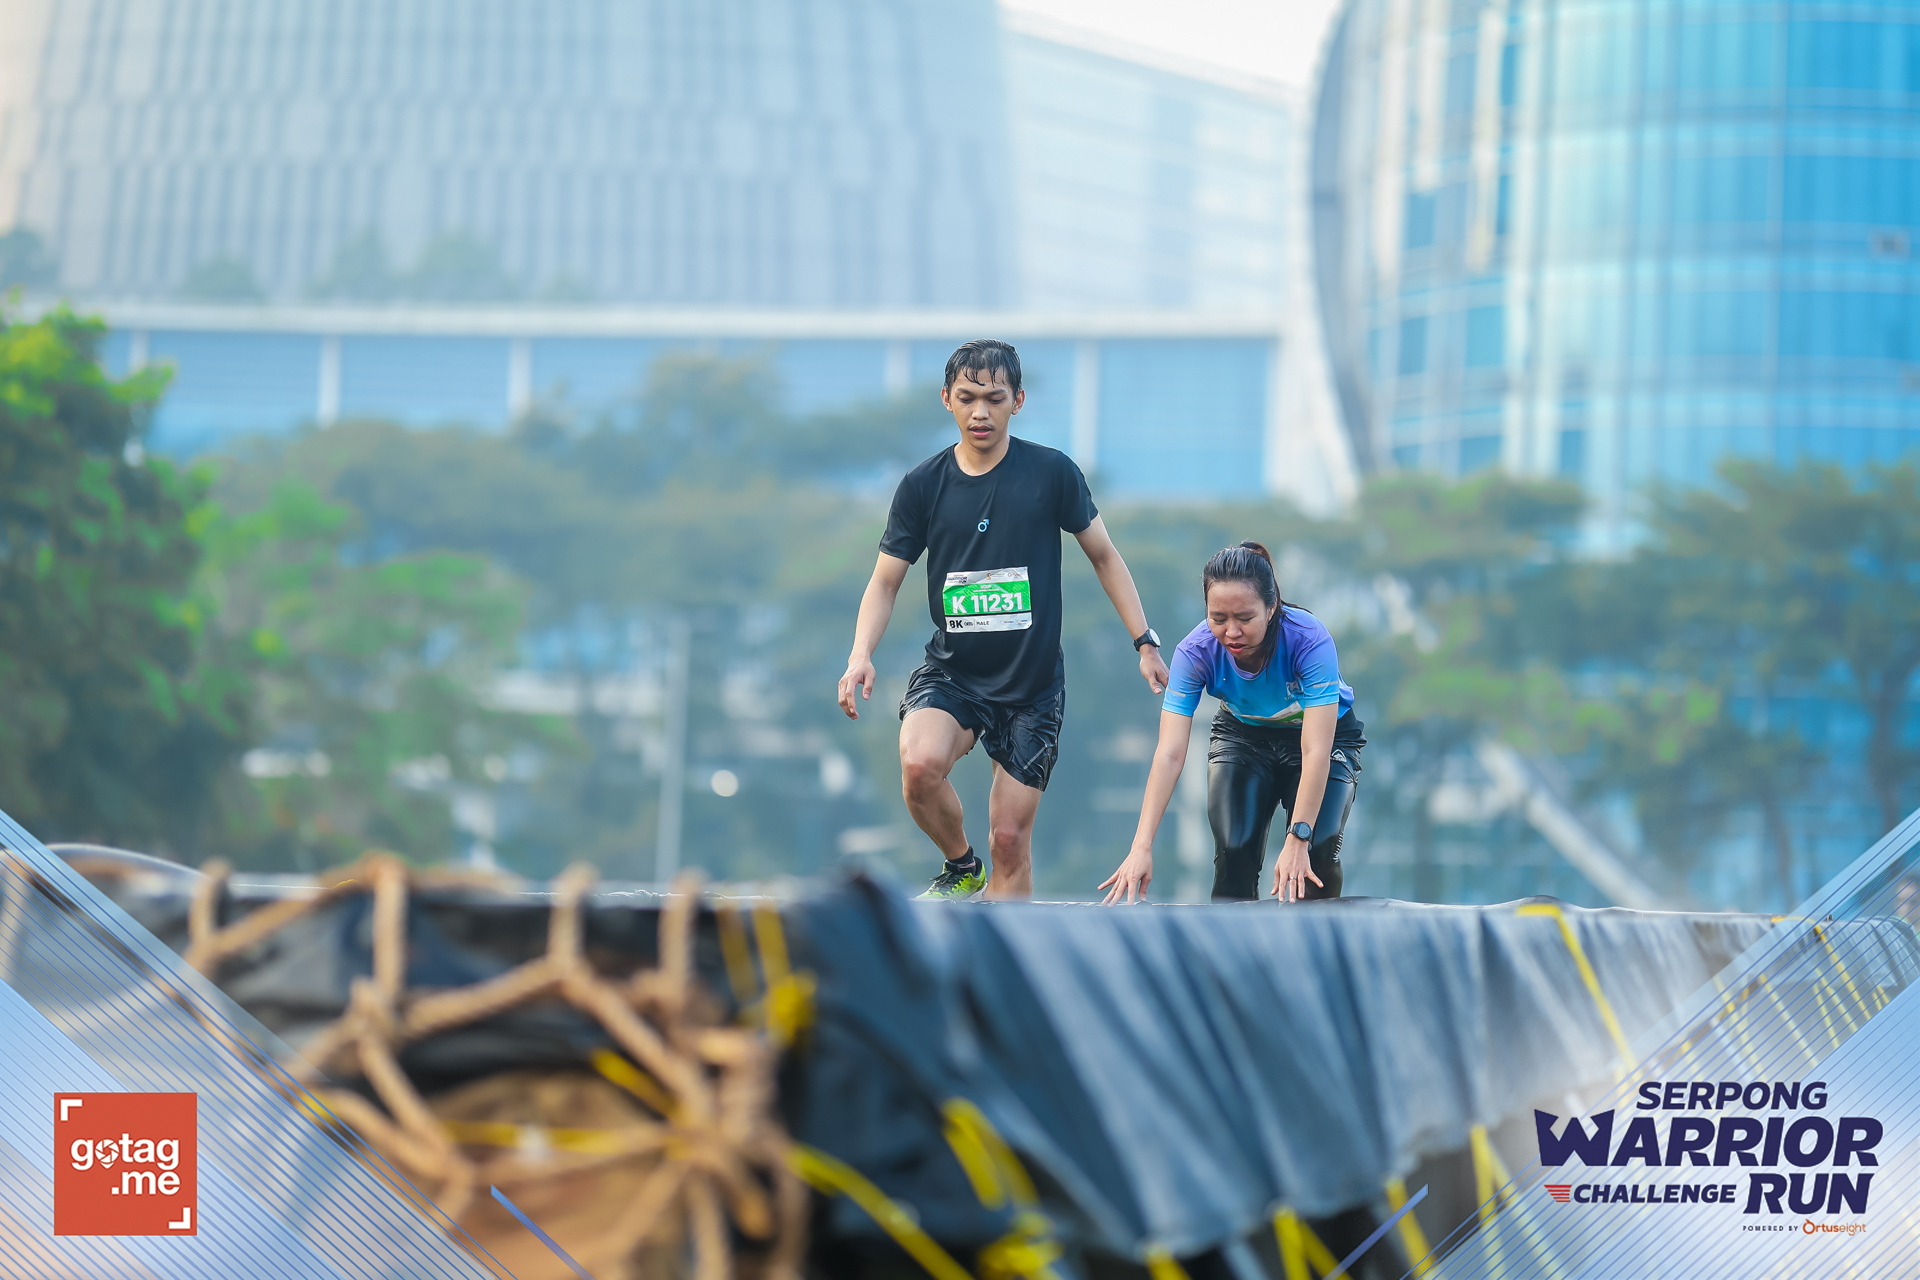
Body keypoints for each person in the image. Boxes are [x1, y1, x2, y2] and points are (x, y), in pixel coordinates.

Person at [837, 339, 1169, 900]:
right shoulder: (922, 485)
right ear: (947, 399)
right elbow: (885, 580)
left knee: (1010, 840)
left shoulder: (1052, 473)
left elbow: (1104, 556)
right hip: (954, 673)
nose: (980, 412)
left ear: (1018, 401)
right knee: (919, 766)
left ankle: (1002, 946)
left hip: (1031, 686)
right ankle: (961, 867)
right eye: (967, 398)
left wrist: (1144, 642)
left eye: (994, 399)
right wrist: (859, 655)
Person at [1100, 541, 1364, 904]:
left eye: (1244, 618)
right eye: (1218, 619)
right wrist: (1141, 847)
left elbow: (1315, 749)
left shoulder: (1308, 639)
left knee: (1316, 850)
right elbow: (1170, 753)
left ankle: (1322, 933)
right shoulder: (1194, 652)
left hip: (1321, 738)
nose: (1232, 633)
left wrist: (1298, 837)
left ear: (1271, 607)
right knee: (1234, 849)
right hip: (1244, 736)